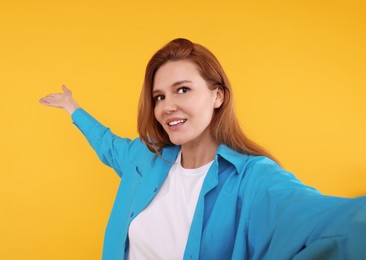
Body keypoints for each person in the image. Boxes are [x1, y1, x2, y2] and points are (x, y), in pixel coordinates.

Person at [40, 38, 366, 260]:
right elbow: (107, 144)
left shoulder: (253, 179)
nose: (167, 106)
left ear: (217, 96)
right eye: (159, 97)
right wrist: (72, 108)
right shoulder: (145, 157)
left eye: (182, 89)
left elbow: (336, 223)